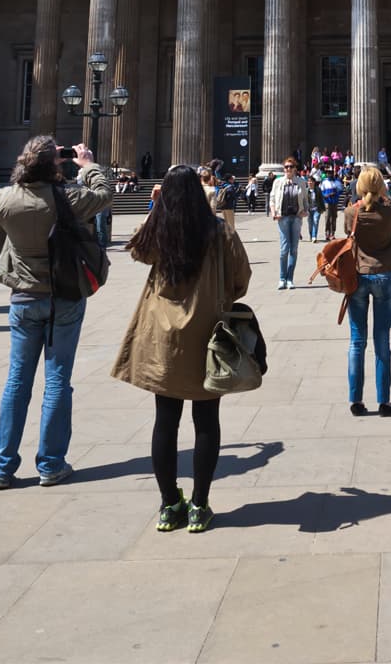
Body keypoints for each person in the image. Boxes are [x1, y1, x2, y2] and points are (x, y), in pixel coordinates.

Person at [112, 164, 252, 533]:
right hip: (207, 335)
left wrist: (157, 209)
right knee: (206, 421)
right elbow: (241, 279)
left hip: (163, 339)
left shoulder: (158, 232)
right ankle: (200, 505)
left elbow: (136, 253)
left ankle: (169, 504)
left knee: (165, 421)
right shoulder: (219, 231)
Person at [0, 137, 111, 490]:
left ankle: (2, 467)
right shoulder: (65, 200)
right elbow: (103, 196)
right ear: (53, 165)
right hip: (63, 297)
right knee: (57, 380)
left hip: (23, 299)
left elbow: (19, 188)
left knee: (16, 381)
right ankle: (51, 464)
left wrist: (40, 163)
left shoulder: (4, 199)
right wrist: (86, 165)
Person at [343, 166, 391, 415]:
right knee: (382, 339)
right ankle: (384, 401)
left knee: (357, 340)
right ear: (381, 187)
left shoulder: (351, 212)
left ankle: (356, 401)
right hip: (384, 276)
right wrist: (386, 202)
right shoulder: (388, 212)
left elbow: (349, 234)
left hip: (358, 277)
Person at [269, 158, 308, 289]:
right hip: (282, 217)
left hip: (296, 217)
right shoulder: (278, 182)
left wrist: (305, 211)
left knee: (294, 249)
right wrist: (274, 213)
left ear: (295, 168)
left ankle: (290, 279)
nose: (288, 169)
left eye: (291, 167)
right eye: (286, 167)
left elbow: (305, 199)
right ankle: (282, 278)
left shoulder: (301, 182)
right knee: (284, 249)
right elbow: (272, 198)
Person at [319, 170, 343, 241]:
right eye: (328, 173)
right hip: (327, 202)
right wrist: (326, 195)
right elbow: (321, 192)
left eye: (331, 173)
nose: (329, 174)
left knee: (334, 217)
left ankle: (333, 233)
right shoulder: (324, 182)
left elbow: (341, 191)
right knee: (327, 217)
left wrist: (336, 194)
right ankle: (327, 232)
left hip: (334, 202)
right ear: (326, 174)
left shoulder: (337, 182)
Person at [307, 174, 324, 241]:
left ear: (314, 182)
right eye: (308, 181)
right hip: (308, 209)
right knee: (310, 224)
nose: (310, 183)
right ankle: (311, 235)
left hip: (317, 209)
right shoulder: (306, 190)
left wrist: (322, 208)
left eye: (311, 181)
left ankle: (314, 236)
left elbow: (321, 199)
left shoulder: (318, 190)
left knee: (315, 221)